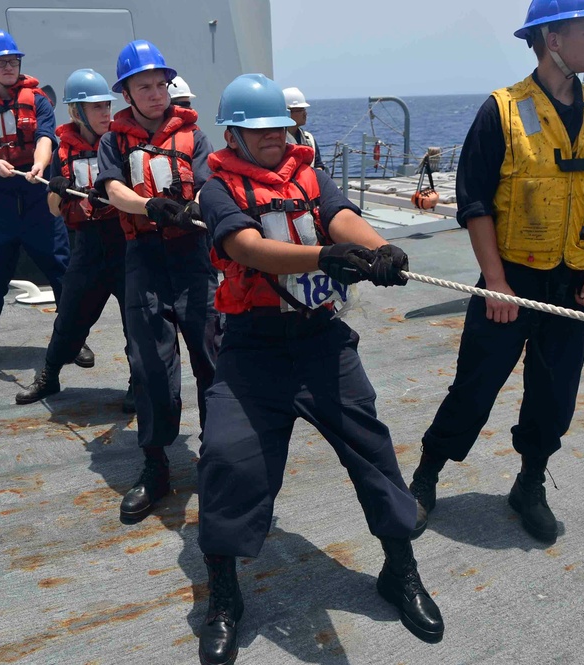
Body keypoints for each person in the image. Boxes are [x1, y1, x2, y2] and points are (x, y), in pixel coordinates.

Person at [194, 73, 444, 665]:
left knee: (374, 452)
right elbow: (247, 248)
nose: (276, 139)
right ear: (234, 135)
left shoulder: (310, 173)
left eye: (281, 127)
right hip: (252, 348)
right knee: (228, 460)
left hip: (321, 343)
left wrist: (379, 248)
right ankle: (225, 595)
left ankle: (399, 570)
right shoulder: (216, 187)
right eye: (261, 132)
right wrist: (325, 257)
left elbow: (339, 216)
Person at [409, 0, 584, 543]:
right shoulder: (501, 111)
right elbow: (475, 203)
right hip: (512, 280)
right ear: (552, 39)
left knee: (554, 396)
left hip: (576, 285)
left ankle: (529, 483)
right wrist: (498, 282)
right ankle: (426, 473)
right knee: (474, 388)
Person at [94, 40, 220, 522]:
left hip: (193, 256)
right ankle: (155, 465)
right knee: (150, 365)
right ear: (126, 92)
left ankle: (217, 455)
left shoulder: (195, 136)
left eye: (160, 85)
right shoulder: (113, 141)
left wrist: (196, 206)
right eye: (142, 86)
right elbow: (111, 189)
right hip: (144, 255)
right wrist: (148, 205)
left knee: (212, 355)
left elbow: (210, 182)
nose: (154, 94)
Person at [15, 69, 133, 412]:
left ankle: (137, 382)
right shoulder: (64, 152)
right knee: (69, 317)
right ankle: (49, 375)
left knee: (136, 323)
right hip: (88, 245)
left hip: (126, 244)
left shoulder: (122, 144)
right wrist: (58, 190)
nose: (105, 113)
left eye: (106, 106)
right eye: (95, 107)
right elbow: (54, 211)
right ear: (75, 112)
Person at [0, 30, 71, 375]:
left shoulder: (38, 101)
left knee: (61, 267)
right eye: (1, 62)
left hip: (37, 195)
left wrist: (39, 164)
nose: (8, 66)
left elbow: (45, 139)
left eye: (13, 61)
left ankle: (71, 338)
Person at [282, 86, 323, 169]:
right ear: (288, 113)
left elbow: (318, 165)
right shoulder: (278, 140)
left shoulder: (309, 138)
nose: (305, 114)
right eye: (300, 110)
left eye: (304, 110)